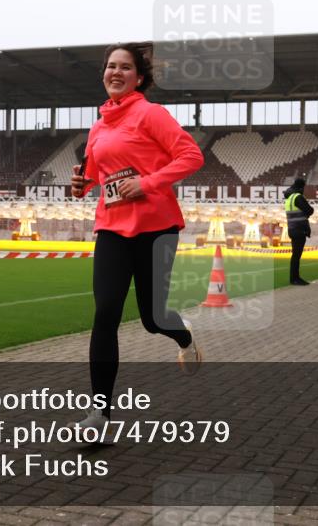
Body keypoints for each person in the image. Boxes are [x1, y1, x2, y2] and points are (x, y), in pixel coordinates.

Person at [71, 42, 205, 431]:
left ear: (139, 77)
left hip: (156, 229)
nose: (115, 72)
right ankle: (100, 414)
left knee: (153, 318)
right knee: (106, 313)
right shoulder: (99, 125)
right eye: (110, 66)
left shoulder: (151, 114)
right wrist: (80, 184)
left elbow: (192, 156)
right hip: (112, 229)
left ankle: (183, 338)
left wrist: (147, 183)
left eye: (125, 67)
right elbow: (96, 175)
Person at [283, 177, 313, 285]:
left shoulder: (289, 198)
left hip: (292, 228)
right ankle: (295, 278)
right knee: (296, 255)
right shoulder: (298, 197)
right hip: (300, 229)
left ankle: (294, 278)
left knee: (295, 255)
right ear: (301, 187)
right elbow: (310, 210)